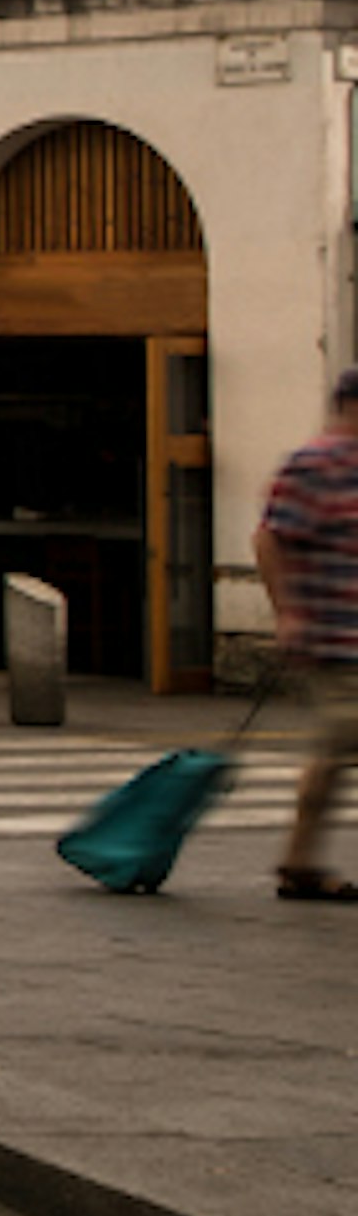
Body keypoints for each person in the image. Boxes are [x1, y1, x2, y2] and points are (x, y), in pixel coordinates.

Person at [260, 368, 358, 898]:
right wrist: (288, 614)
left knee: (337, 746)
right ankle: (298, 862)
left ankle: (299, 863)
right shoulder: (314, 465)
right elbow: (270, 539)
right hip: (334, 638)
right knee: (344, 737)